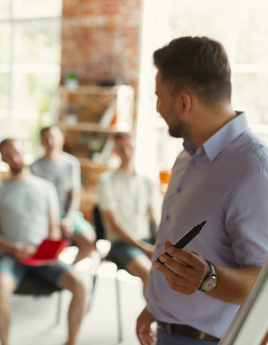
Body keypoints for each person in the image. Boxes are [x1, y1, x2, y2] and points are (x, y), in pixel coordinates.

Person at [136, 36, 268, 345]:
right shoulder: (187, 156)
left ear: (183, 102)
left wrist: (208, 277)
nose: (156, 107)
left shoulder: (254, 172)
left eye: (159, 97)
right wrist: (156, 307)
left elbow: (264, 285)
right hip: (167, 329)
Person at [0, 139, 87, 345]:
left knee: (81, 285)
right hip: (11, 256)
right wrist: (13, 249)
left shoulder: (46, 188)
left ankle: (71, 342)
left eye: (16, 153)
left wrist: (50, 251)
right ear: (2, 159)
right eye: (7, 155)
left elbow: (54, 229)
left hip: (44, 256)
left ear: (25, 152)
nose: (13, 158)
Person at [97, 132, 159, 292]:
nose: (127, 152)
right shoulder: (107, 181)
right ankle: (157, 316)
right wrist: (144, 248)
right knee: (150, 274)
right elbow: (115, 225)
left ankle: (167, 314)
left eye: (129, 147)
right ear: (115, 151)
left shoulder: (147, 182)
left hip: (148, 240)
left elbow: (154, 221)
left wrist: (160, 244)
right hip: (121, 243)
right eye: (121, 148)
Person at [30, 126, 96, 264]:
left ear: (62, 140)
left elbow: (74, 195)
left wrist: (68, 218)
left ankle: (69, 270)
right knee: (50, 246)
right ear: (41, 142)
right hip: (45, 215)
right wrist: (54, 221)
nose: (50, 142)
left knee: (89, 241)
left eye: (53, 137)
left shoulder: (71, 163)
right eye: (45, 138)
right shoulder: (34, 167)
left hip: (67, 213)